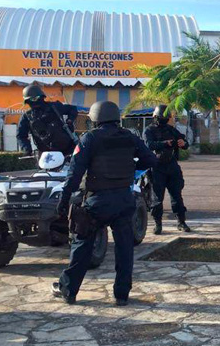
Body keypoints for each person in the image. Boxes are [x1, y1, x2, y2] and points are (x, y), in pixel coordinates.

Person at [52, 101, 157, 306]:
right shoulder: (130, 137)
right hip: (124, 200)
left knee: (82, 244)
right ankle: (122, 294)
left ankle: (69, 290)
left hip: (98, 201)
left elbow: (75, 173)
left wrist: (64, 200)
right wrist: (132, 170)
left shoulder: (89, 138)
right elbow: (151, 160)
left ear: (95, 118)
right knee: (124, 249)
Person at [145, 105, 191, 234]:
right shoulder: (149, 130)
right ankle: (158, 224)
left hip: (172, 167)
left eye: (166, 117)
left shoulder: (171, 130)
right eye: (162, 117)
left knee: (177, 196)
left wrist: (183, 143)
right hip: (156, 167)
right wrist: (165, 143)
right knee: (157, 198)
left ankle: (181, 222)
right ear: (155, 117)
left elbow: (184, 142)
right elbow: (149, 145)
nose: (164, 119)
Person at [17, 84, 78, 157]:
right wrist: (27, 149)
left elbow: (72, 109)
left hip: (68, 150)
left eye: (35, 99)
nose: (33, 102)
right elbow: (21, 136)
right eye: (30, 100)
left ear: (41, 97)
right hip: (46, 155)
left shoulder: (54, 107)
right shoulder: (27, 116)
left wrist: (70, 121)